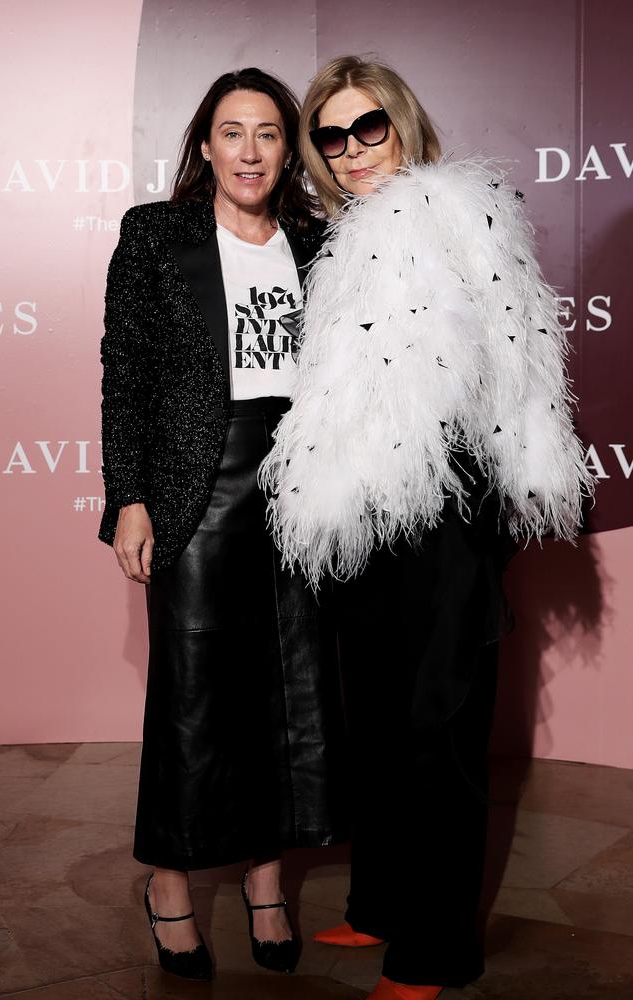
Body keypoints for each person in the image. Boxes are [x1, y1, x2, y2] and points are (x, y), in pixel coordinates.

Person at [260, 56, 594, 1000]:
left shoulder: (455, 211)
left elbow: (515, 361)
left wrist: (490, 500)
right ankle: (379, 907)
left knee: (436, 729)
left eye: (372, 129)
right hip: (366, 511)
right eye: (332, 136)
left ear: (403, 125)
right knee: (376, 720)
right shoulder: (338, 238)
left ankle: (438, 949)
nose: (354, 151)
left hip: (446, 508)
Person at [98, 67, 347, 982]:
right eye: (232, 132)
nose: (250, 151)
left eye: (270, 134)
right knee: (195, 694)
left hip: (302, 483)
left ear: (289, 151)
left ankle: (267, 877)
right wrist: (129, 496)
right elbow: (123, 376)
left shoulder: (321, 242)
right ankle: (169, 883)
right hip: (194, 486)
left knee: (293, 689)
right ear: (205, 143)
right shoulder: (155, 235)